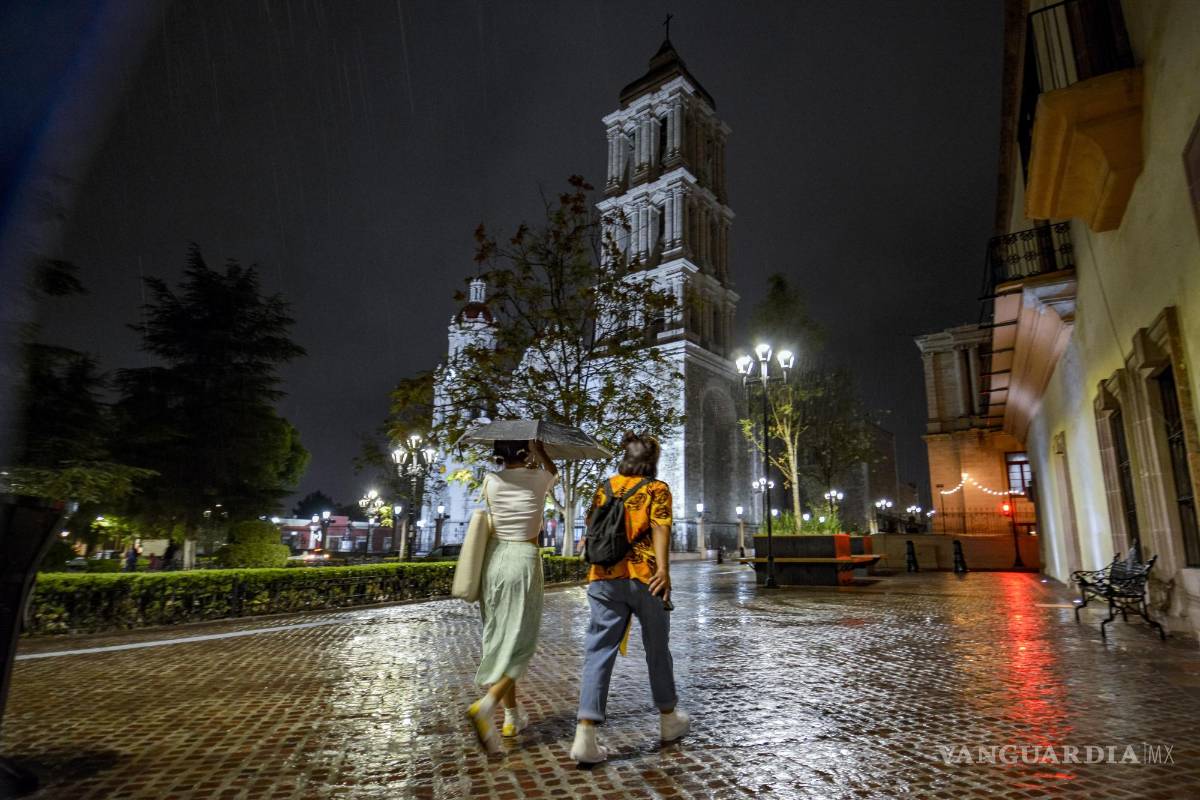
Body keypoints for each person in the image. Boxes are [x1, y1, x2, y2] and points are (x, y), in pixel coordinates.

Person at [570, 432, 688, 765]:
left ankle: (585, 734)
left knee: (598, 650)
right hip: (645, 577)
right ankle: (668, 719)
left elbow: (591, 524)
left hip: (604, 577)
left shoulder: (605, 486)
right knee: (656, 648)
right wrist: (663, 571)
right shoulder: (656, 488)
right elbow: (661, 526)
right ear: (651, 459)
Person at [467, 438, 558, 752]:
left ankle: (511, 716)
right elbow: (554, 472)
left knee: (501, 639)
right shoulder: (538, 478)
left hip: (494, 562)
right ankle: (488, 705)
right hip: (522, 560)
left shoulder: (491, 481)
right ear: (526, 453)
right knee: (521, 644)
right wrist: (541, 452)